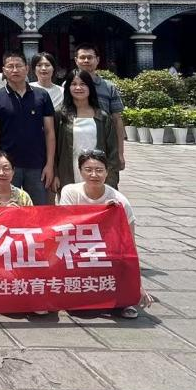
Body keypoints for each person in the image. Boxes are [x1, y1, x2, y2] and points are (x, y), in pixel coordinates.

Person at [58, 149, 151, 319]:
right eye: (88, 170)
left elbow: (130, 245)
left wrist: (137, 284)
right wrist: (101, 213)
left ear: (107, 172)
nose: (94, 174)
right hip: (78, 249)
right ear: (80, 171)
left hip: (107, 251)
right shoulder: (70, 192)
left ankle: (125, 301)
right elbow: (64, 225)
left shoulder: (120, 201)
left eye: (99, 170)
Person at [0, 50, 56, 206]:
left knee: (39, 209)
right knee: (8, 209)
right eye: (10, 66)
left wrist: (50, 165)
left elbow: (50, 132)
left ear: (27, 68)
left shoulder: (42, 95)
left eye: (18, 66)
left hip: (37, 164)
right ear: (4, 70)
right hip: (8, 166)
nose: (15, 70)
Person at [55, 70, 120, 191]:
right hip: (68, 173)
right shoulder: (60, 115)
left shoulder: (102, 116)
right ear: (68, 88)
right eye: (74, 84)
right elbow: (53, 148)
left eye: (83, 84)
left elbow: (113, 151)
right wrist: (55, 174)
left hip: (96, 174)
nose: (78, 87)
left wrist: (110, 178)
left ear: (90, 87)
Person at [74, 44, 127, 181]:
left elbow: (117, 120)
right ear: (76, 60)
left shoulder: (108, 87)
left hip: (105, 144)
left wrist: (120, 153)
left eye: (90, 57)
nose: (86, 60)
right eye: (82, 57)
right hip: (76, 144)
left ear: (97, 60)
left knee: (107, 185)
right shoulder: (69, 87)